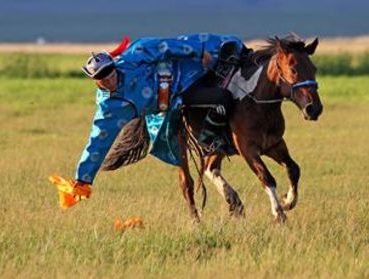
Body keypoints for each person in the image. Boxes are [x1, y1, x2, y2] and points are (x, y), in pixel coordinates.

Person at [50, 33, 246, 208]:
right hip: (171, 104)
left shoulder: (134, 56)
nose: (108, 80)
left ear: (113, 65)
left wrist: (197, 51)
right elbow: (98, 142)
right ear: (95, 80)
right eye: (101, 78)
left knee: (218, 53)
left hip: (182, 72)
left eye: (109, 73)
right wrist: (82, 180)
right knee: (218, 101)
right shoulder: (110, 108)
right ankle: (208, 141)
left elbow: (164, 46)